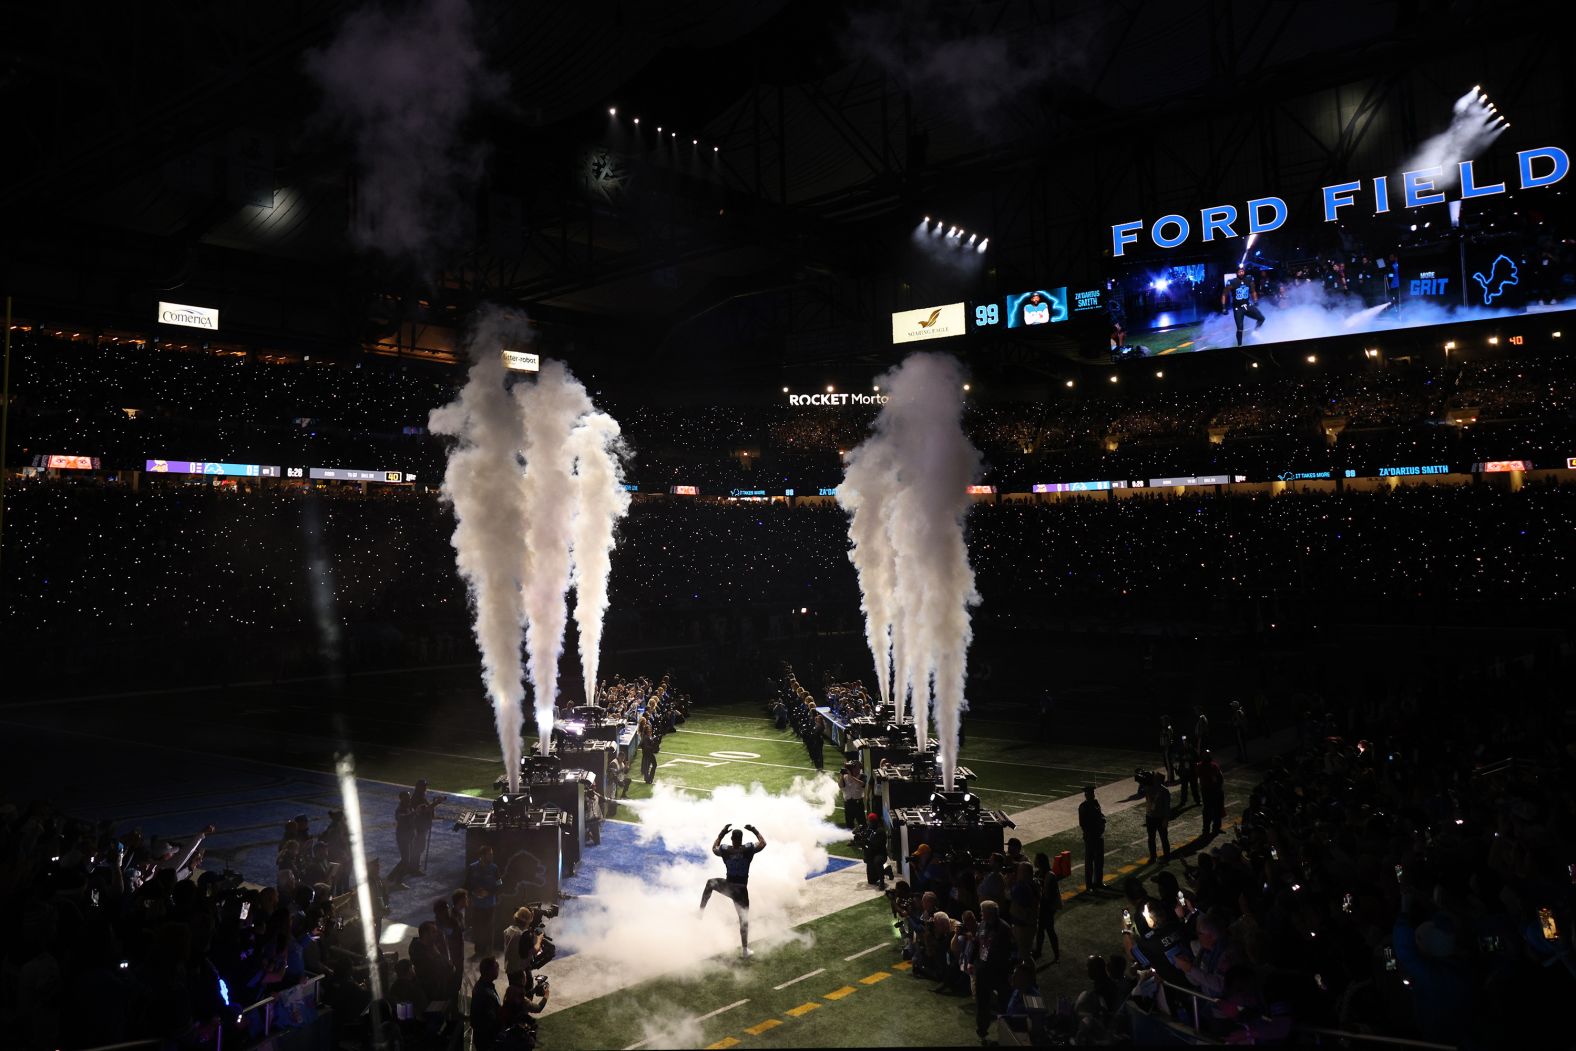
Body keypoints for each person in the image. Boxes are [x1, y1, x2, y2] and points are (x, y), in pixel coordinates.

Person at [700, 823, 767, 959]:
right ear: (741, 839)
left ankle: (700, 911)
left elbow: (714, 848)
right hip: (741, 891)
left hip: (729, 887)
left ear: (731, 839)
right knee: (744, 920)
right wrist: (753, 829)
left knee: (710, 883)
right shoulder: (747, 849)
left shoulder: (726, 850)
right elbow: (763, 843)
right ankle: (745, 950)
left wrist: (722, 832)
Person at [973, 899, 1015, 1044]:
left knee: (1003, 1003)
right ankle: (982, 1029)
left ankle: (1005, 1032)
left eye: (982, 911)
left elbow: (1011, 952)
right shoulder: (982, 925)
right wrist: (973, 962)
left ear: (989, 913)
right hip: (983, 970)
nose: (980, 914)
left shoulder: (1004, 928)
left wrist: (1009, 972)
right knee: (982, 1002)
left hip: (999, 972)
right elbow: (977, 943)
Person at [466, 846, 501, 956]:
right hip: (477, 905)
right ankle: (478, 951)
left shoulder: (494, 868)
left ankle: (488, 952)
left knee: (489, 929)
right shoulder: (472, 867)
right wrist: (473, 892)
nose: (491, 856)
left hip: (490, 905)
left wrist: (489, 893)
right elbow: (467, 884)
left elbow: (499, 885)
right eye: (489, 854)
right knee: (477, 929)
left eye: (492, 854)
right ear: (482, 855)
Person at [1222, 265, 1266, 346]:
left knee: (1262, 318)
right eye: (1239, 272)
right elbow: (1224, 294)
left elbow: (1253, 291)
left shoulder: (1249, 279)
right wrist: (1224, 307)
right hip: (1238, 308)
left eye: (1242, 271)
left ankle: (1255, 332)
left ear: (1244, 271)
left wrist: (1255, 300)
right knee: (1240, 328)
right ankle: (1239, 345)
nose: (1241, 273)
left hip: (1247, 305)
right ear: (1236, 273)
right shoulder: (1232, 282)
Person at [1032, 852, 1061, 963]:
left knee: (1049, 930)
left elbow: (1050, 895)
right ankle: (1039, 951)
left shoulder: (1049, 875)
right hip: (1042, 906)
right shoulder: (1038, 873)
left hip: (1047, 907)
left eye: (1036, 859)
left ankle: (1056, 954)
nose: (1034, 861)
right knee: (1040, 930)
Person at [470, 955, 503, 1051]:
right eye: (496, 967)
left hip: (484, 1037)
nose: (498, 968)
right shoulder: (485, 993)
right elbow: (490, 1020)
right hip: (487, 1039)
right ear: (489, 971)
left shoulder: (484, 985)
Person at [410, 780, 444, 874]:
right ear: (419, 787)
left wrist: (434, 802)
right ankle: (414, 868)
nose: (426, 788)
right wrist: (437, 802)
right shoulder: (417, 798)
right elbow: (426, 809)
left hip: (422, 825)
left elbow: (428, 808)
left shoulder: (421, 796)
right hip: (419, 826)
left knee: (419, 847)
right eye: (424, 786)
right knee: (418, 847)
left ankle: (414, 866)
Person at [1078, 785, 1106, 893]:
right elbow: (1083, 823)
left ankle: (1098, 882)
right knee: (1089, 862)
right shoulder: (1083, 806)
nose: (1092, 795)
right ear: (1086, 795)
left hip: (1098, 835)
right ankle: (1089, 885)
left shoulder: (1095, 803)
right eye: (1090, 794)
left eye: (1092, 794)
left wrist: (1103, 820)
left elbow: (1100, 815)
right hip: (1090, 837)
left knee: (1099, 861)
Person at [388, 791, 417, 887]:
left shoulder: (409, 807)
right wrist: (414, 813)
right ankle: (398, 881)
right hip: (402, 837)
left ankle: (391, 876)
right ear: (402, 799)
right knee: (406, 861)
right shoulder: (399, 809)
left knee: (405, 859)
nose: (409, 798)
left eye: (409, 796)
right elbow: (402, 818)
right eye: (407, 797)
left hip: (409, 836)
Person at [1144, 774, 1172, 864]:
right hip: (1150, 816)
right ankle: (1153, 856)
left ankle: (1167, 857)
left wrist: (1166, 819)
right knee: (1151, 838)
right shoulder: (1149, 788)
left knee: (1163, 838)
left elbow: (1167, 806)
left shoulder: (1164, 791)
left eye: (1155, 778)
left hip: (1160, 817)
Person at [1198, 750, 1226, 837]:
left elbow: (1218, 777)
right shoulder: (1211, 766)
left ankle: (1209, 829)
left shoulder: (1203, 766)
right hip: (1211, 790)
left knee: (1211, 810)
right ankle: (1211, 829)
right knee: (1212, 810)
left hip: (1209, 790)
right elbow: (1217, 777)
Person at [840, 763, 866, 830]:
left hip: (858, 803)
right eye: (854, 768)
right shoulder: (845, 777)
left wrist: (851, 776)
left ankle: (863, 838)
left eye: (858, 768)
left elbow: (862, 784)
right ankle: (851, 838)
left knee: (862, 823)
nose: (857, 770)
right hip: (848, 803)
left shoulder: (862, 776)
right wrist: (841, 776)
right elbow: (841, 786)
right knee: (849, 824)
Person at [638, 717, 661, 785]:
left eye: (650, 730)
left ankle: (650, 778)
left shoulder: (649, 736)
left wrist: (656, 743)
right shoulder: (645, 737)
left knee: (654, 765)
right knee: (646, 767)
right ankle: (648, 779)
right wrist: (653, 746)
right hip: (647, 754)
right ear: (646, 731)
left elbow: (651, 743)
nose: (650, 732)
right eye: (648, 731)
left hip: (650, 753)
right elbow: (645, 747)